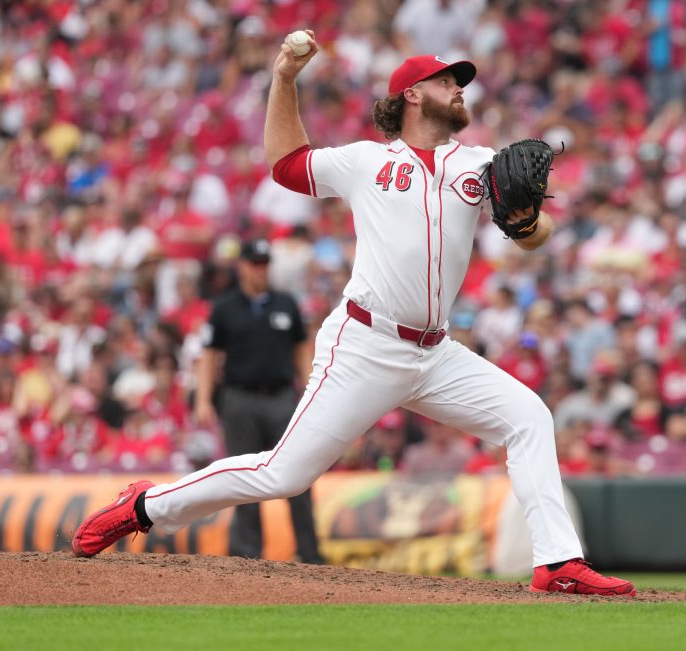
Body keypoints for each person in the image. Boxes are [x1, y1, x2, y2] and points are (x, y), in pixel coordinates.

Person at [73, 33, 636, 597]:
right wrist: (285, 79)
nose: (459, 90)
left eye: (459, 82)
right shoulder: (367, 161)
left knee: (529, 417)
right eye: (446, 81)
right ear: (412, 95)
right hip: (366, 343)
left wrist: (526, 224)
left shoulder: (481, 164)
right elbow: (286, 164)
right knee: (284, 474)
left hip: (436, 353)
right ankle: (145, 505)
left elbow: (537, 237)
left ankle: (558, 563)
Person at [192, 237, 323, 564]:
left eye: (265, 264)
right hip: (240, 400)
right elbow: (209, 355)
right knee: (243, 477)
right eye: (255, 264)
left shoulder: (286, 304)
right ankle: (247, 556)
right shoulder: (224, 308)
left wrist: (310, 391)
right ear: (242, 267)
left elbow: (300, 351)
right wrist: (204, 399)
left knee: (299, 476)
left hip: (281, 398)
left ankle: (310, 554)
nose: (261, 270)